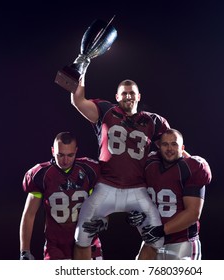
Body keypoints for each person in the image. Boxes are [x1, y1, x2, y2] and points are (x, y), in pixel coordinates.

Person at [70, 76, 170, 259]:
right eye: (124, 93)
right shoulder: (106, 111)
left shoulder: (153, 121)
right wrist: (82, 69)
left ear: (139, 96)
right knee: (81, 237)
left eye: (132, 93)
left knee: (157, 241)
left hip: (137, 189)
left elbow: (172, 146)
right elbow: (78, 100)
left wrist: (191, 159)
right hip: (106, 186)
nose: (128, 96)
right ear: (117, 96)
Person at [128, 128, 212, 259]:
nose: (169, 148)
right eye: (165, 144)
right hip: (152, 241)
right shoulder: (149, 164)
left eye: (174, 144)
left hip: (182, 242)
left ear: (182, 148)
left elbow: (193, 213)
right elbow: (137, 196)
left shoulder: (191, 168)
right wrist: (134, 212)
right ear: (159, 146)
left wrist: (161, 230)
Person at [19, 131, 104, 260]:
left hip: (88, 243)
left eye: (70, 155)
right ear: (53, 151)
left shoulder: (89, 170)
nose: (65, 161)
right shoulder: (41, 175)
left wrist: (104, 218)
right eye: (60, 155)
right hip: (56, 247)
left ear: (76, 151)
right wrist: (24, 251)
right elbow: (29, 214)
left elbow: (103, 202)